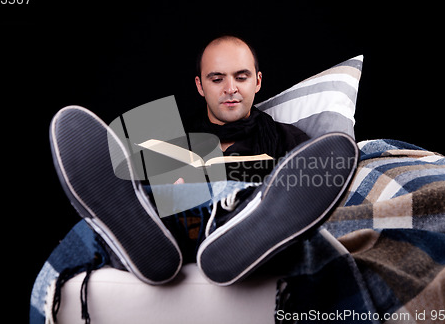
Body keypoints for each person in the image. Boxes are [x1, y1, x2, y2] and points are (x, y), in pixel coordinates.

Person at [49, 35, 359, 290]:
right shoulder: (167, 137)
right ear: (200, 86)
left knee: (259, 199)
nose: (230, 89)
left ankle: (236, 233)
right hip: (180, 229)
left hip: (249, 223)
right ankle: (151, 240)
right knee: (158, 198)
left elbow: (310, 199)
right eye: (217, 79)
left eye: (241, 77)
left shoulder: (290, 140)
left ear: (258, 81)